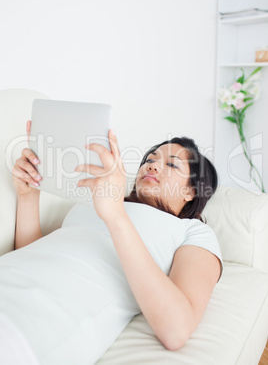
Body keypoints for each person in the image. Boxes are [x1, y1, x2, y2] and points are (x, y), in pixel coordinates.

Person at [0, 121, 222, 365]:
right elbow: (37, 254)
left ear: (192, 191)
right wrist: (28, 196)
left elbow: (177, 328)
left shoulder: (192, 231)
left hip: (34, 321)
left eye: (171, 164)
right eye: (151, 158)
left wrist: (116, 215)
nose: (153, 165)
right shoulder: (92, 203)